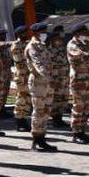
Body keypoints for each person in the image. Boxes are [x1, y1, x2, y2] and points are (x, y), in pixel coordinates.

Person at [26, 23, 58, 152]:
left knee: (46, 111)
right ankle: (36, 140)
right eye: (42, 31)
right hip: (38, 82)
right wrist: (49, 77)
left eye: (45, 31)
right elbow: (39, 65)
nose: (45, 33)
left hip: (47, 81)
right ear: (35, 33)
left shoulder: (43, 45)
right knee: (39, 111)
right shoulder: (32, 47)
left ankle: (42, 137)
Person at [65, 23, 89, 145]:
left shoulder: (87, 44)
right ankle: (76, 133)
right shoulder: (72, 44)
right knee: (78, 106)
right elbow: (81, 55)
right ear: (77, 34)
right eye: (84, 33)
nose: (87, 34)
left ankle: (82, 131)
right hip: (78, 79)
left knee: (86, 107)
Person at [9, 25, 31, 132]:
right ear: (19, 34)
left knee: (28, 98)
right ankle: (19, 120)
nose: (25, 34)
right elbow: (19, 62)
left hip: (28, 75)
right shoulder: (16, 46)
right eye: (23, 33)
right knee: (21, 98)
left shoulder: (27, 44)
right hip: (22, 75)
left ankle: (24, 117)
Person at [48, 26, 70, 128]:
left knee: (63, 99)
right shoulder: (49, 51)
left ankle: (60, 118)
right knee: (56, 99)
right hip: (56, 79)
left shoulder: (62, 49)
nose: (60, 40)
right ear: (53, 39)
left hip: (64, 78)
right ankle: (55, 119)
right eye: (58, 38)